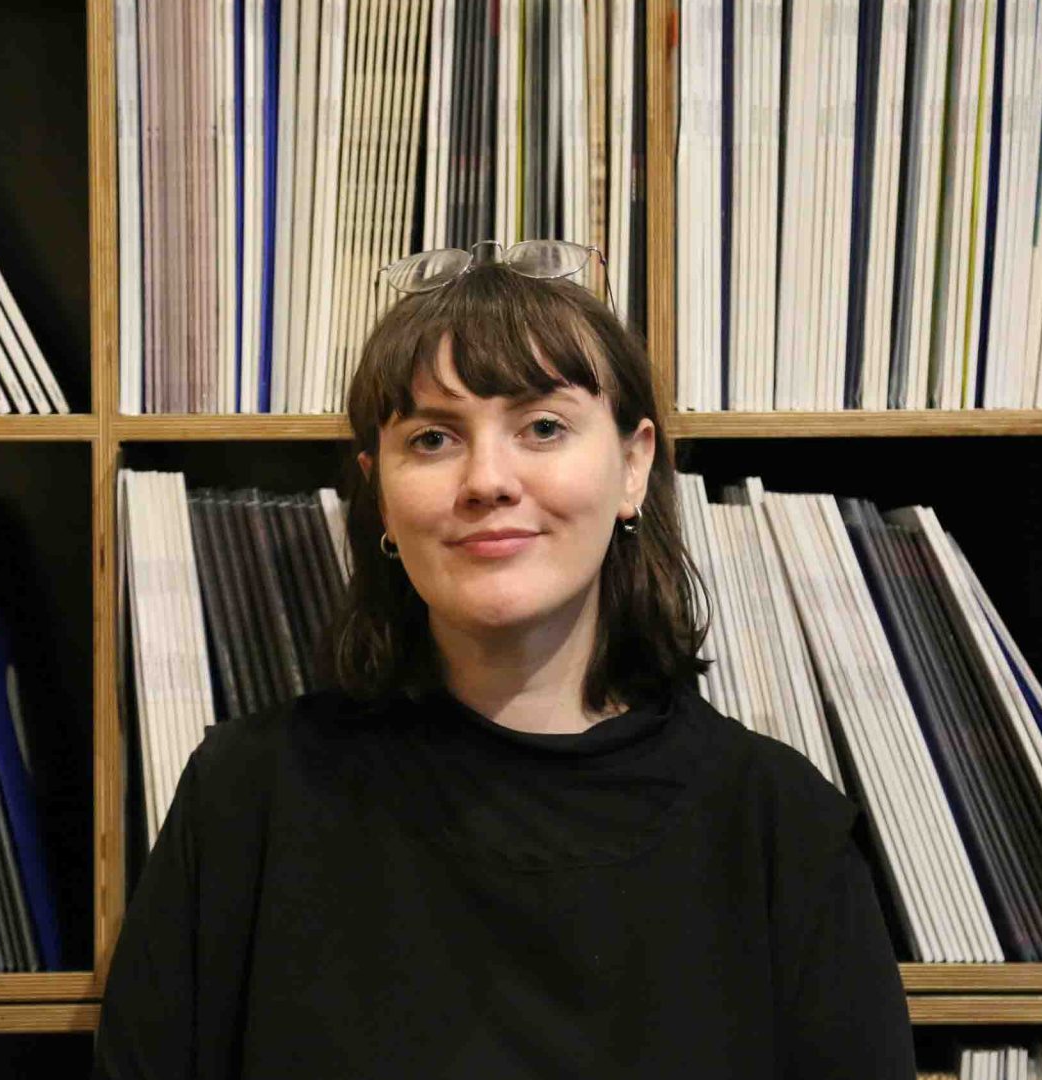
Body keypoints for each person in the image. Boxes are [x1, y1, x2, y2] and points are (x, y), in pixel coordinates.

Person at [93, 241, 915, 1079]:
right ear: (377, 487)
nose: (487, 479)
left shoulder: (779, 826)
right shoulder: (245, 799)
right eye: (435, 438)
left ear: (634, 466)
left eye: (543, 427)